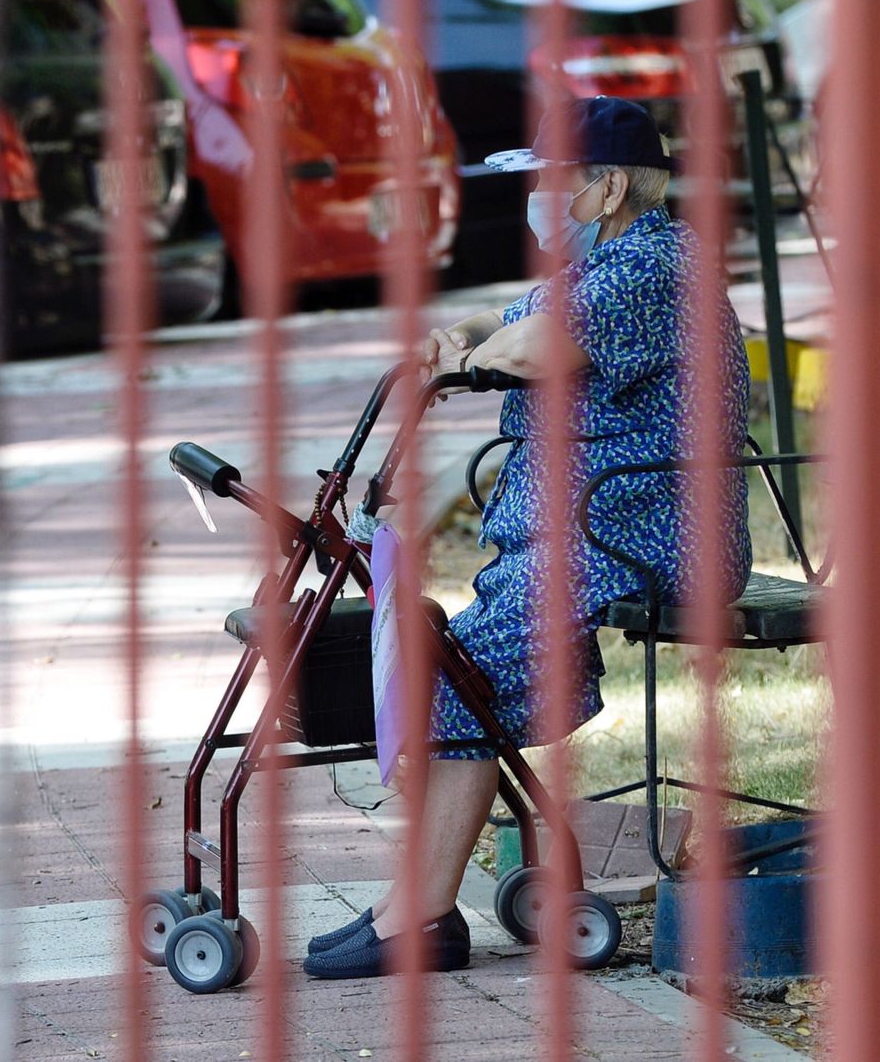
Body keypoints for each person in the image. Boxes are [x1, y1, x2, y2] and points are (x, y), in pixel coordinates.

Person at [302, 96, 752, 979]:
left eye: (556, 181)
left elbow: (539, 343)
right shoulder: (609, 259)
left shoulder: (653, 268)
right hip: (591, 533)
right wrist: (459, 335)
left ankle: (421, 916)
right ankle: (418, 906)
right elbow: (512, 319)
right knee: (457, 669)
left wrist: (486, 354)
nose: (543, 199)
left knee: (462, 677)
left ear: (610, 184)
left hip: (646, 537)